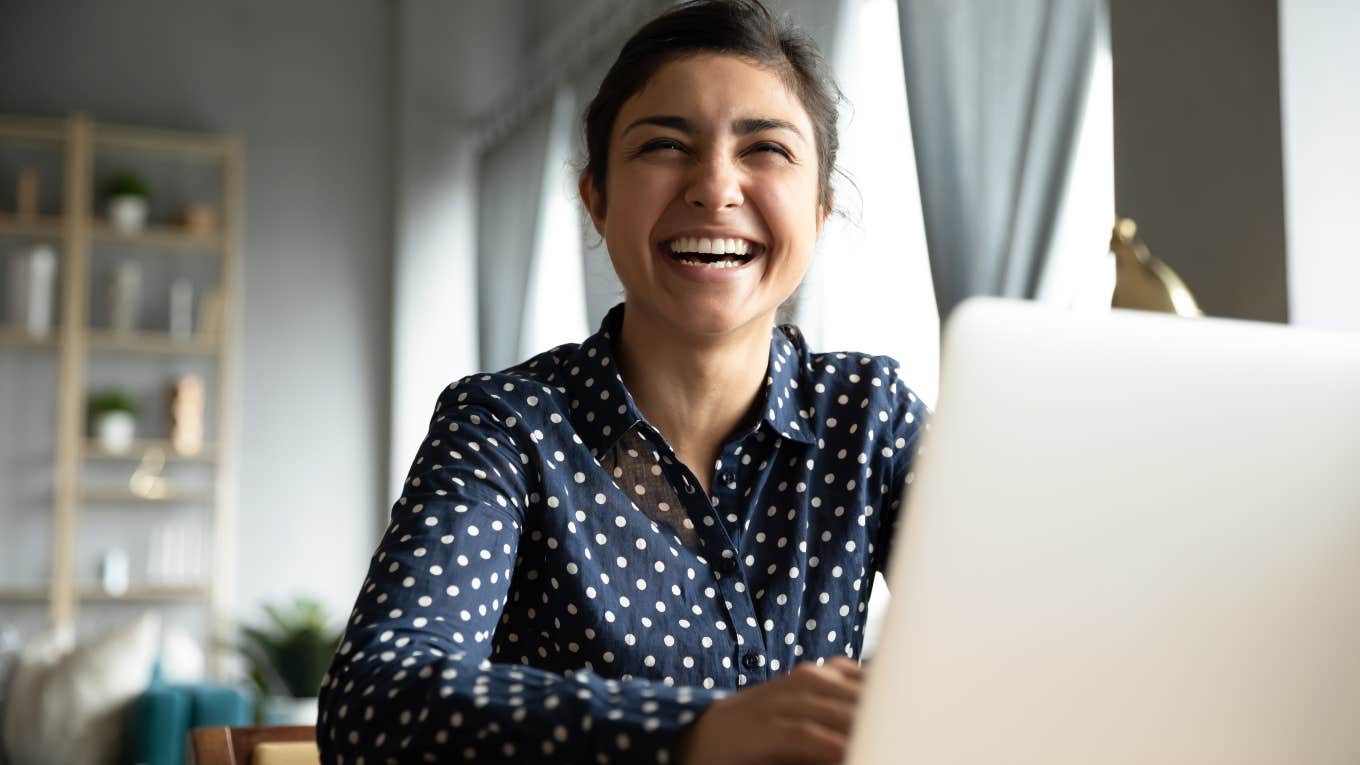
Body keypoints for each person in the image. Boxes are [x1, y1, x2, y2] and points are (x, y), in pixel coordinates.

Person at [317, 1, 928, 762]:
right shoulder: (504, 425)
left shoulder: (871, 418)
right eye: (666, 145)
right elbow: (376, 701)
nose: (715, 187)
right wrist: (694, 731)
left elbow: (1009, 639)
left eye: (765, 149)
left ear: (821, 209)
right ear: (596, 200)